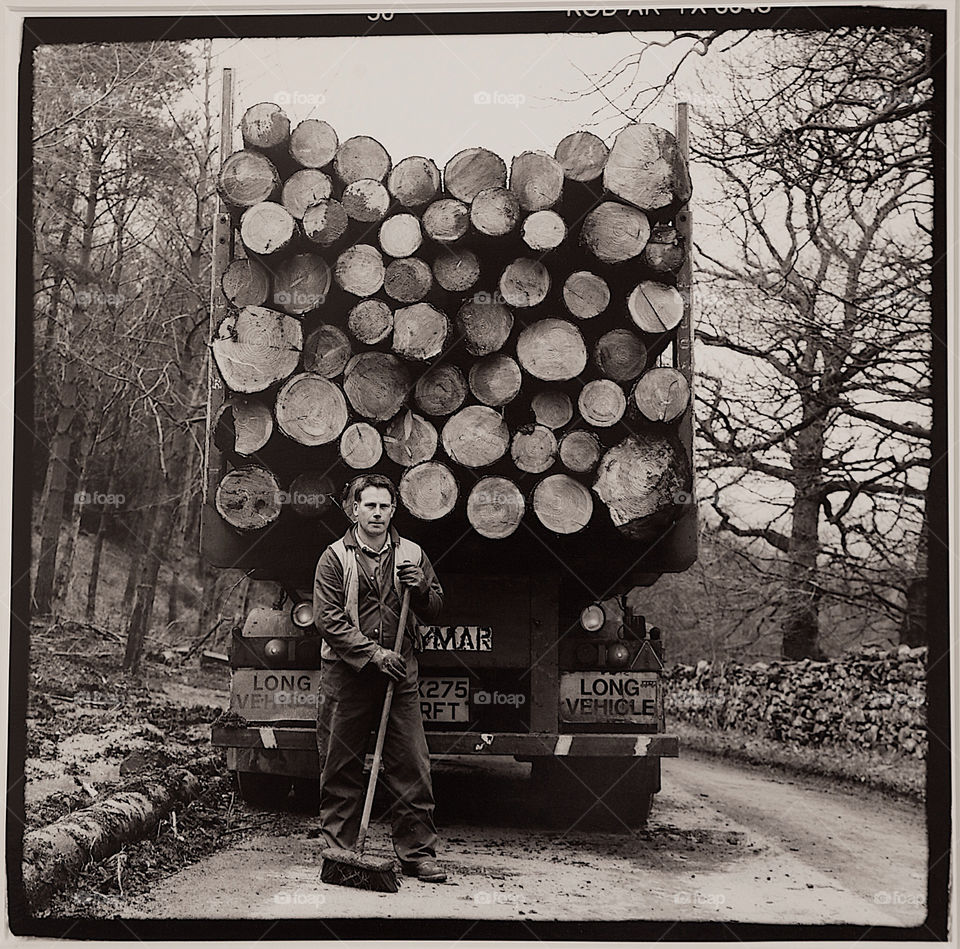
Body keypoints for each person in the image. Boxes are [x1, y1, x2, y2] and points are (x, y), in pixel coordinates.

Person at [312, 473, 446, 883]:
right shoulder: (334, 557)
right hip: (348, 674)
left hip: (399, 674)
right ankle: (340, 851)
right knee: (342, 765)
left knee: (411, 763)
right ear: (354, 510)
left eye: (384, 506)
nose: (376, 513)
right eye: (368, 505)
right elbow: (328, 619)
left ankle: (417, 854)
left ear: (393, 510)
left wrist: (422, 588)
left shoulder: (412, 553)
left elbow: (436, 607)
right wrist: (373, 655)